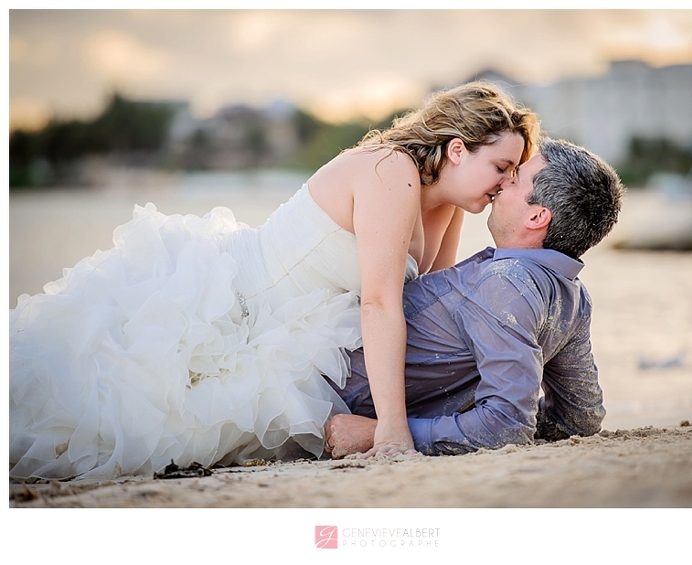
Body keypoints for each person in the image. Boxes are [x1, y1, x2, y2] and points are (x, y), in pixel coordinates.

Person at [9, 81, 540, 480]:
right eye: (501, 166)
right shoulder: (390, 168)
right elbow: (379, 303)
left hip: (288, 334)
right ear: (455, 149)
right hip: (226, 310)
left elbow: (428, 313)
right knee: (88, 416)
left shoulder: (445, 205)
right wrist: (394, 432)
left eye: (515, 173)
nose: (507, 183)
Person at [324, 137, 625, 458]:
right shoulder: (574, 297)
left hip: (322, 397)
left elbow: (507, 425)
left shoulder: (507, 282)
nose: (503, 182)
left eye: (516, 179)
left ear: (537, 217)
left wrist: (385, 431)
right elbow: (579, 418)